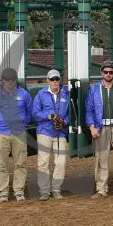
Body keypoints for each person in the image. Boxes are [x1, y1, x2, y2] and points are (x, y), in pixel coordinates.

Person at [0, 67, 33, 202]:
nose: (10, 83)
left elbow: (29, 111)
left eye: (12, 80)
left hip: (19, 133)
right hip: (1, 133)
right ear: (2, 81)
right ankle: (2, 192)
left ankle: (19, 191)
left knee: (21, 163)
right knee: (1, 164)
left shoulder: (23, 94)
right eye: (7, 80)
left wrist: (23, 123)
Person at [85, 60, 113, 198]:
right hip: (101, 127)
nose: (108, 74)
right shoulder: (94, 89)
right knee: (102, 160)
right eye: (106, 72)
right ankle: (102, 189)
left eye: (111, 72)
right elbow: (89, 110)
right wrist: (92, 127)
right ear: (101, 73)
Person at [33, 69, 70, 201]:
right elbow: (35, 113)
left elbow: (71, 114)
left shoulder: (66, 94)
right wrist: (49, 116)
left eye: (57, 79)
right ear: (47, 80)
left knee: (61, 162)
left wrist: (64, 121)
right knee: (43, 162)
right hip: (44, 131)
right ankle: (44, 190)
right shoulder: (41, 94)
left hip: (60, 132)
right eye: (52, 79)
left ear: (60, 80)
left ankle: (56, 189)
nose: (55, 82)